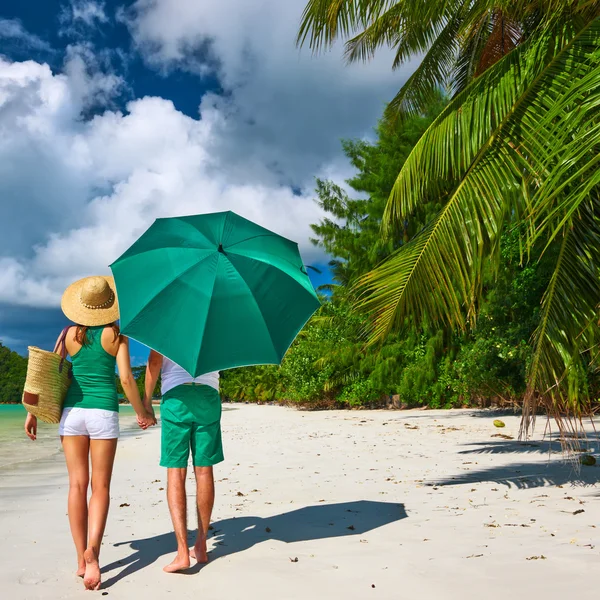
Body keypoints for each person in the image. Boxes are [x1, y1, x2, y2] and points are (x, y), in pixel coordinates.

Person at [24, 276, 156, 591]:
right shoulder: (117, 335)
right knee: (100, 487)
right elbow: (125, 378)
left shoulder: (68, 335)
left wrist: (32, 413)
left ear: (81, 306)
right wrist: (141, 412)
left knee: (77, 485)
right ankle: (94, 552)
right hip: (103, 413)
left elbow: (46, 376)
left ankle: (80, 562)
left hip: (72, 415)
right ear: (109, 306)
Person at [143, 350, 223, 573]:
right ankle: (201, 544)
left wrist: (146, 400)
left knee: (176, 472)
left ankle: (181, 552)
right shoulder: (216, 320)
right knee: (204, 470)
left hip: (177, 396)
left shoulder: (168, 319)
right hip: (208, 394)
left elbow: (155, 360)